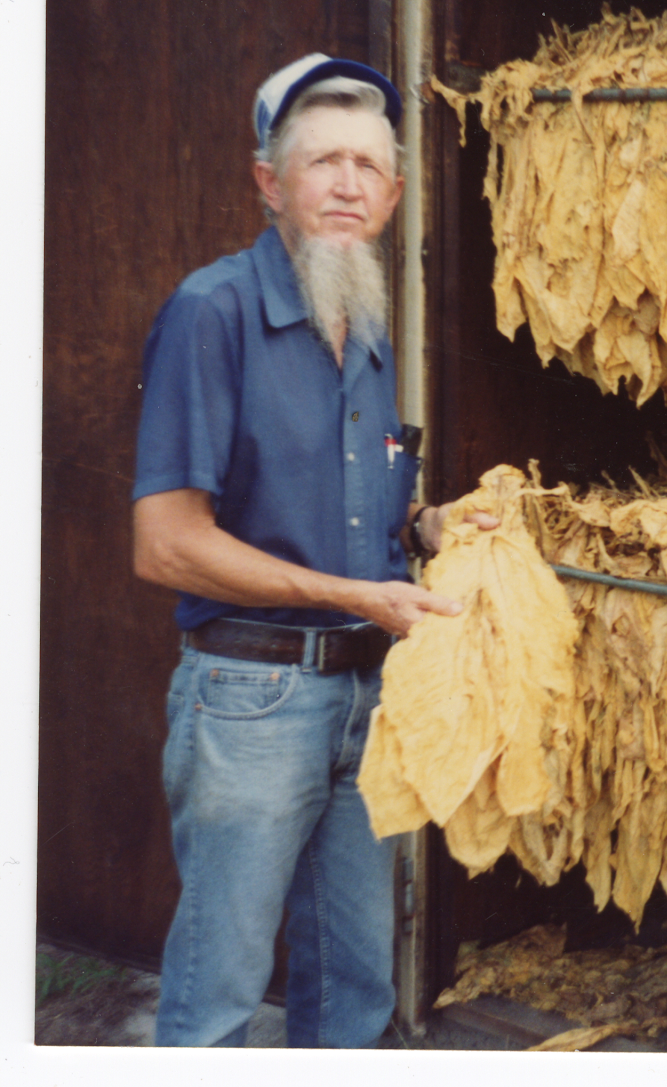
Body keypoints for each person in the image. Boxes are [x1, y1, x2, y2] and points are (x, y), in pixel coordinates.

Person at [132, 53, 490, 1047]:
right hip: (252, 700)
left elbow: (368, 510)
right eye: (321, 161)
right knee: (219, 996)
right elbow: (166, 546)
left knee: (353, 991)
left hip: (364, 697)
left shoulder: (363, 319)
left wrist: (430, 529)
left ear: (395, 192)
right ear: (268, 182)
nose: (346, 184)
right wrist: (357, 594)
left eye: (368, 167)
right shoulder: (216, 312)